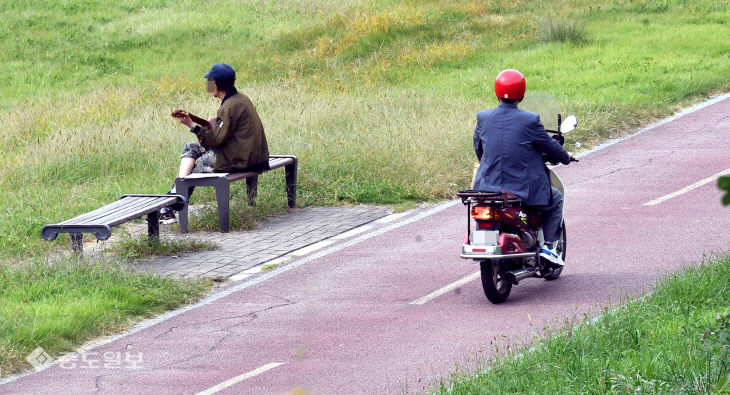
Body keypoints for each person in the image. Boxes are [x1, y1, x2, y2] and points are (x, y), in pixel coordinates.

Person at [472, 69, 573, 266]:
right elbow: (550, 146)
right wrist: (566, 157)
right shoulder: (530, 120)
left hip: (487, 187)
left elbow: (479, 149)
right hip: (521, 188)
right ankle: (550, 246)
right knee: (556, 198)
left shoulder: (483, 117)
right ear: (522, 94)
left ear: (497, 93)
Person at [160, 63, 270, 223]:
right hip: (249, 154)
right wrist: (209, 124)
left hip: (241, 160)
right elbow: (224, 133)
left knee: (196, 166)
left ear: (217, 85)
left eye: (210, 81)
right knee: (190, 147)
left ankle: (172, 205)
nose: (208, 85)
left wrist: (192, 125)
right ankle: (174, 198)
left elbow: (217, 140)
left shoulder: (229, 107)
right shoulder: (240, 99)